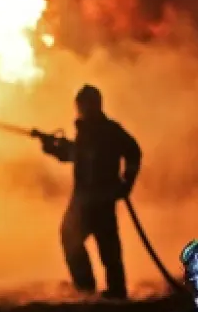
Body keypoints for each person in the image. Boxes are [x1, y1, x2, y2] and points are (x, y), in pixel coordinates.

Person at [36, 84, 141, 300]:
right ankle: (91, 289)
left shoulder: (109, 131)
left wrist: (126, 182)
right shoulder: (88, 132)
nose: (81, 109)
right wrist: (51, 147)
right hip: (85, 199)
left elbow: (133, 151)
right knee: (76, 238)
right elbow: (75, 155)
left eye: (83, 105)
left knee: (106, 246)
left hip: (100, 199)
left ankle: (107, 291)